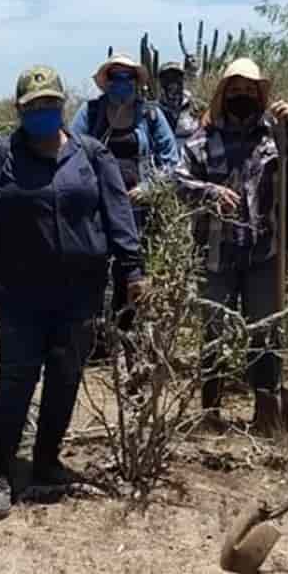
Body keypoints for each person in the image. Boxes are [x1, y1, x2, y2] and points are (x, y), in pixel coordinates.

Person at [0, 66, 143, 518]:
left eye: (50, 104)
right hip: (20, 293)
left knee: (65, 378)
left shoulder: (92, 155)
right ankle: (1, 472)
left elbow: (118, 215)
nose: (43, 111)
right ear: (21, 109)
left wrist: (134, 270)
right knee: (16, 379)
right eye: (33, 105)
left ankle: (45, 464)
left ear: (63, 106)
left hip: (79, 293)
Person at [179, 56, 288, 434]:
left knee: (266, 330)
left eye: (249, 90)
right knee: (214, 331)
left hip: (264, 253)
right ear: (224, 94)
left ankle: (267, 412)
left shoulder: (275, 135)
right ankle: (210, 414)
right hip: (216, 254)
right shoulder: (202, 139)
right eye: (236, 90)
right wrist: (209, 193)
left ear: (260, 94)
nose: (243, 95)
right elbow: (179, 182)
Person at [72, 53, 183, 353]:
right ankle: (94, 344)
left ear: (136, 82)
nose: (122, 83)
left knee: (131, 271)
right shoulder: (90, 112)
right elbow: (69, 149)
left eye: (128, 77)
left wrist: (151, 187)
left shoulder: (150, 115)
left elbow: (172, 161)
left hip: (138, 210)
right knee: (94, 272)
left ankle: (127, 339)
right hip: (96, 209)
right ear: (106, 82)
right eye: (116, 77)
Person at [153, 58, 201, 146]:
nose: (173, 83)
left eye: (176, 77)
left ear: (183, 79)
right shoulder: (153, 112)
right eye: (167, 78)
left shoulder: (196, 106)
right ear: (160, 82)